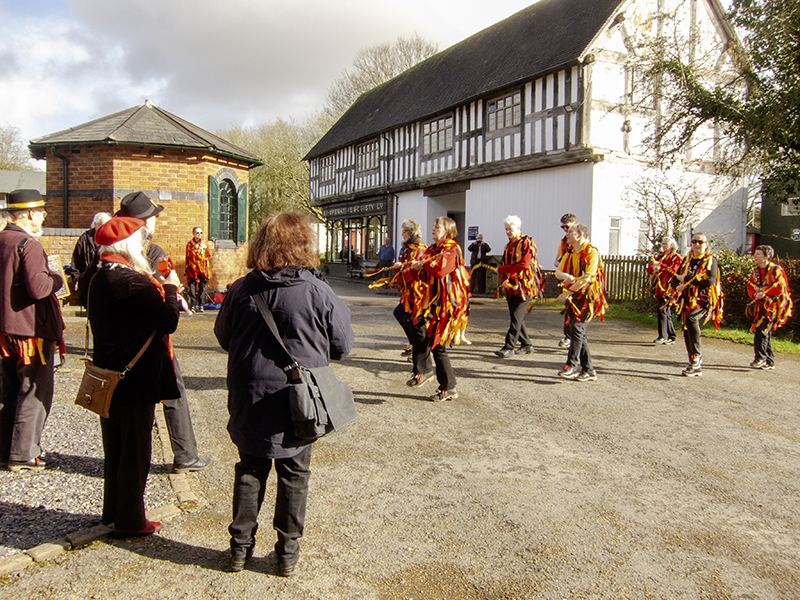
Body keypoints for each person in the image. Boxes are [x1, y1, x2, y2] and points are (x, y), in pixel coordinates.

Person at [214, 211, 353, 577]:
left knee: (250, 468)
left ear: (262, 245)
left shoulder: (243, 288)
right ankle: (287, 554)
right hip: (301, 397)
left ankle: (239, 551)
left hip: (250, 391)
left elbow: (223, 337)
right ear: (304, 244)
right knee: (294, 471)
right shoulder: (317, 290)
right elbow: (343, 345)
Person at [79, 191, 211, 473]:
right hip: (140, 352)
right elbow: (165, 315)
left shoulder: (106, 260)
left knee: (119, 439)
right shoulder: (134, 257)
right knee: (141, 434)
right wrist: (171, 291)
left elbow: (87, 287)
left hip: (114, 353)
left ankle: (182, 456)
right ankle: (183, 456)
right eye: (152, 218)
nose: (155, 224)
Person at [88, 215, 182, 536]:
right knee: (136, 451)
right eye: (139, 240)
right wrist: (170, 289)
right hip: (135, 377)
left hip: (108, 375)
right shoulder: (132, 282)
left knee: (114, 448)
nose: (143, 245)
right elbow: (168, 320)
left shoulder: (99, 278)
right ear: (129, 245)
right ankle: (130, 521)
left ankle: (113, 512)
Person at [0, 190, 63, 472]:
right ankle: (25, 454)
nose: (44, 215)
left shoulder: (2, 240)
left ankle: (5, 450)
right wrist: (57, 277)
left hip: (4, 331)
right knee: (34, 392)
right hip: (29, 331)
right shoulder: (29, 245)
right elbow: (39, 288)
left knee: (10, 391)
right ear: (27, 214)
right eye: (40, 211)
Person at [407, 217, 470, 402]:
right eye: (433, 225)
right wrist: (410, 267)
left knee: (438, 346)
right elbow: (416, 273)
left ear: (447, 231)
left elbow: (440, 270)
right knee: (417, 325)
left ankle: (447, 386)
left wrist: (423, 262)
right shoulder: (432, 249)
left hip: (446, 305)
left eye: (438, 226)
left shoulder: (452, 249)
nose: (433, 228)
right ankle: (425, 371)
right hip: (430, 303)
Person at [554, 222, 606, 382]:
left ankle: (572, 364)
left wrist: (569, 291)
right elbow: (557, 271)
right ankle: (589, 370)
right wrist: (565, 276)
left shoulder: (591, 252)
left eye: (570, 232)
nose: (567, 235)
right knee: (575, 331)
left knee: (577, 327)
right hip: (573, 298)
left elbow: (587, 278)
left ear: (580, 234)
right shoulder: (569, 253)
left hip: (587, 298)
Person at [672, 232, 723, 377]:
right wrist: (677, 286)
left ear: (706, 244)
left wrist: (688, 279)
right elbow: (676, 278)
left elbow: (709, 281)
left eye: (700, 242)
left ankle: (696, 356)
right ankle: (694, 362)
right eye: (694, 241)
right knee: (687, 328)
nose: (697, 244)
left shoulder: (710, 260)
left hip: (703, 300)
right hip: (687, 299)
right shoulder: (687, 259)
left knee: (692, 318)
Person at [494, 216, 542, 358]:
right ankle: (527, 345)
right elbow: (504, 263)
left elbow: (524, 264)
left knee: (516, 317)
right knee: (516, 317)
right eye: (506, 229)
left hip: (524, 287)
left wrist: (502, 271)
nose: (508, 232)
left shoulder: (527, 242)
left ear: (518, 228)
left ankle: (509, 346)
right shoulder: (508, 245)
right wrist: (504, 281)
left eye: (510, 229)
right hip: (511, 287)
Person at [746, 245, 793, 370]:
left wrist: (763, 291)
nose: (755, 256)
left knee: (762, 329)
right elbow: (750, 287)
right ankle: (769, 361)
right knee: (763, 331)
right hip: (760, 305)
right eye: (755, 254)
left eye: (758, 254)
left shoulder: (776, 270)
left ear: (766, 257)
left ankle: (760, 358)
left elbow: (780, 287)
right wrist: (755, 294)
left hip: (773, 306)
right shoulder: (755, 271)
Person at [391, 219, 428, 359]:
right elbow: (403, 274)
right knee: (401, 315)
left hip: (419, 293)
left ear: (412, 233)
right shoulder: (408, 251)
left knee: (414, 322)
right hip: (409, 293)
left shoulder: (421, 250)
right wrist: (398, 269)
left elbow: (417, 274)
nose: (402, 235)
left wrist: (403, 270)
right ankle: (414, 344)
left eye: (404, 232)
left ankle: (419, 349)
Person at [646, 237, 682, 345]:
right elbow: (650, 267)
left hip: (670, 288)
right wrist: (654, 268)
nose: (663, 245)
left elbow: (674, 271)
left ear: (672, 245)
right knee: (665, 311)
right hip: (660, 288)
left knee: (662, 310)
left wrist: (660, 266)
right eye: (663, 243)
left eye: (666, 244)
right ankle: (671, 336)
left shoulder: (676, 257)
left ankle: (663, 336)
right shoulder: (660, 256)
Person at [66, 211, 111, 295]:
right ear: (95, 225)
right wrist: (77, 279)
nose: (105, 228)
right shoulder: (85, 239)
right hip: (90, 283)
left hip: (107, 283)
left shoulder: (112, 239)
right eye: (102, 225)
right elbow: (76, 261)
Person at [555, 213, 576, 348]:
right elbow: (556, 261)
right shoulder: (563, 242)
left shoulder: (581, 241)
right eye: (562, 227)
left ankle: (576, 337)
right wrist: (563, 267)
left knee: (577, 310)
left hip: (578, 280)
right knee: (568, 309)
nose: (565, 230)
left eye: (567, 227)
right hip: (567, 280)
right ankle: (568, 336)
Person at [185, 226, 211, 312]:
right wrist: (187, 267)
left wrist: (207, 271)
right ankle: (192, 305)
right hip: (192, 269)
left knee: (202, 288)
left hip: (201, 270)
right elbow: (187, 257)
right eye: (197, 233)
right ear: (193, 234)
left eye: (200, 233)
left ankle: (201, 305)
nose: (199, 235)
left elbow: (207, 257)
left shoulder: (204, 245)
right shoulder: (189, 245)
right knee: (192, 288)